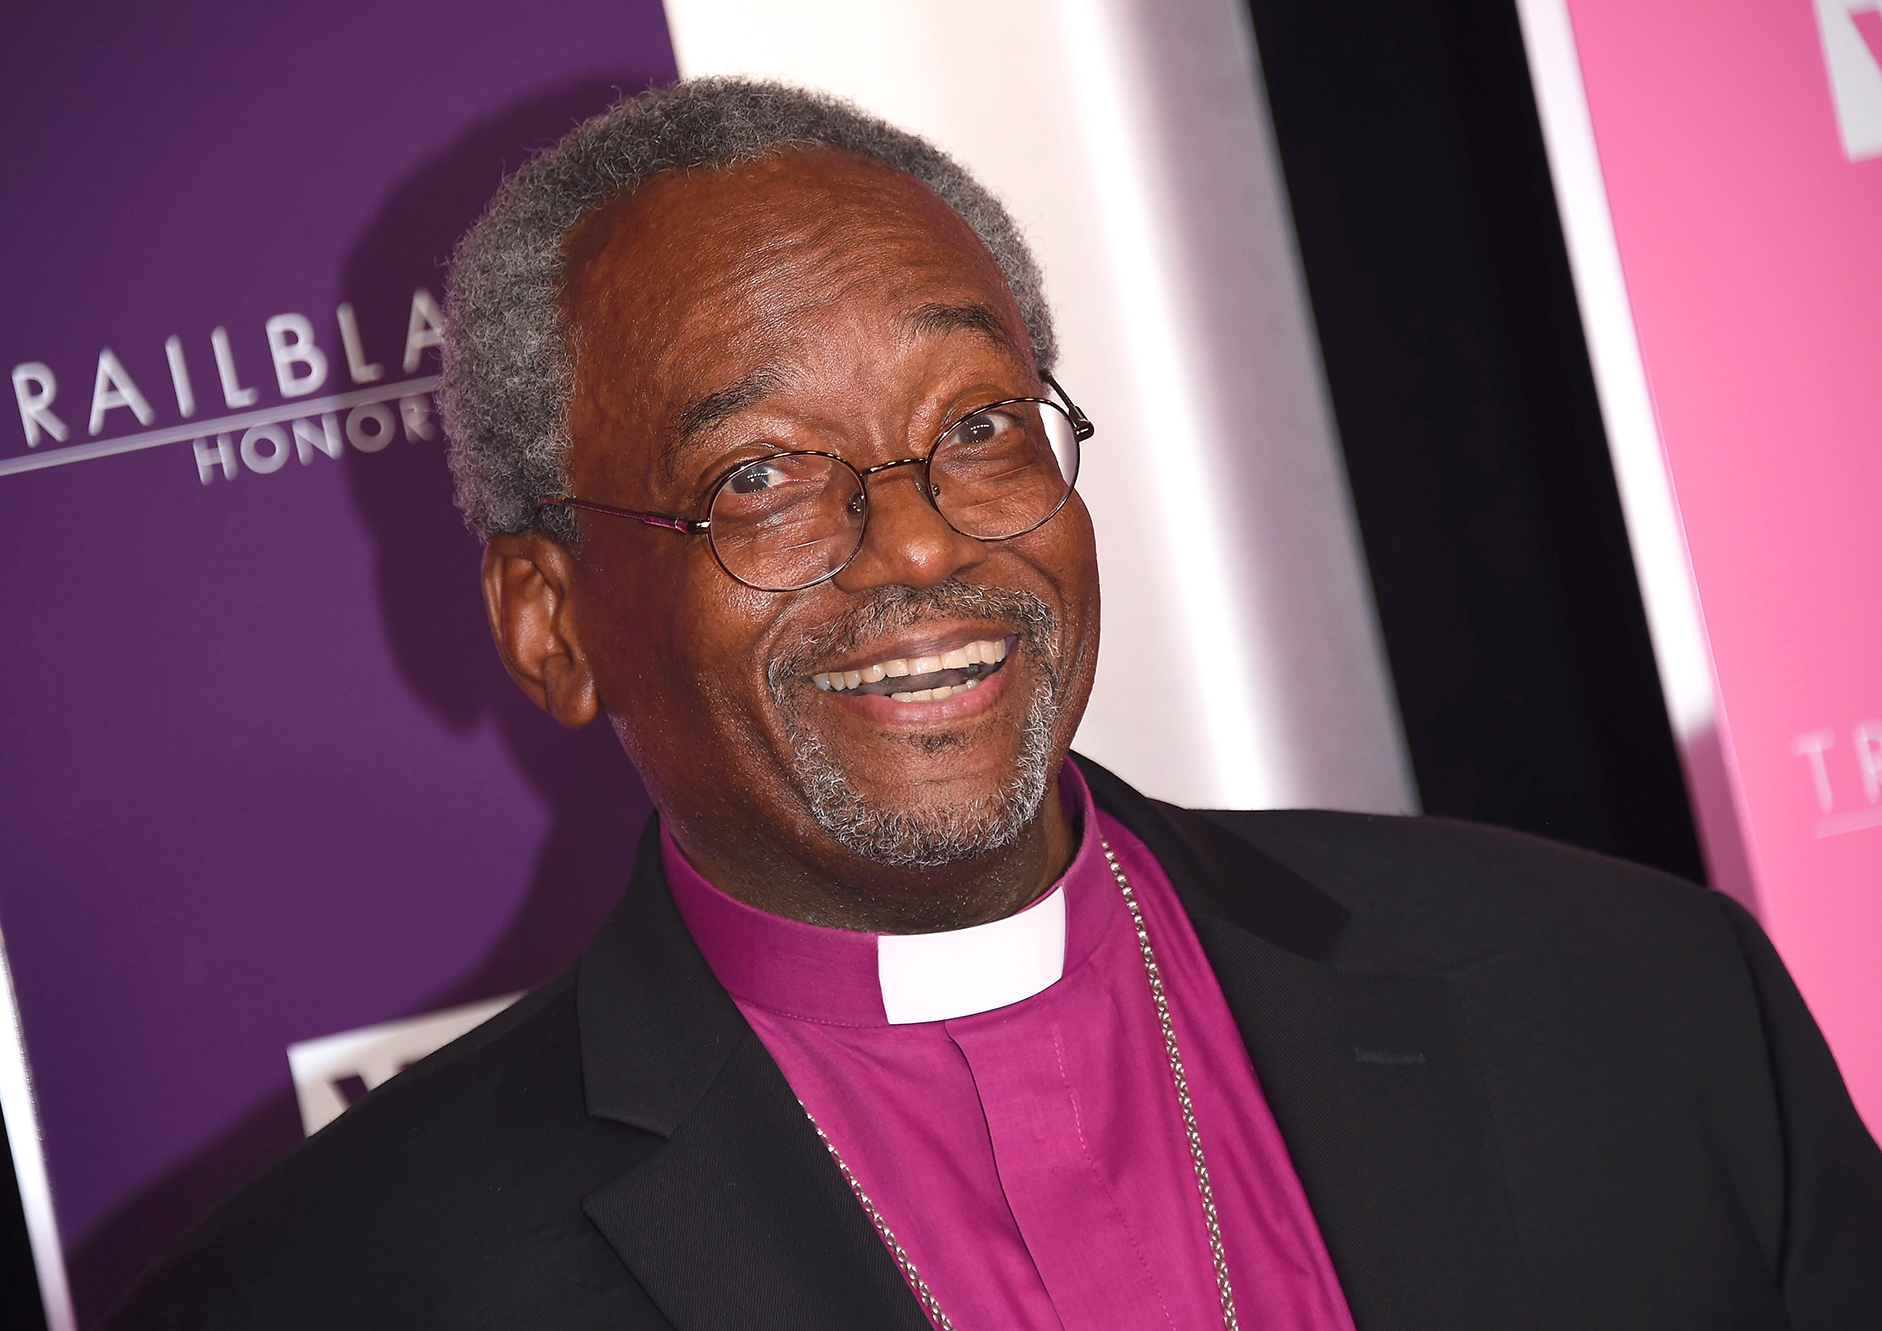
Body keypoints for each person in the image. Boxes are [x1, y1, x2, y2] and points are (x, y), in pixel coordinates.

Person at [106, 78, 1882, 1330]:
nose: (917, 542)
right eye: (757, 477)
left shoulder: (1640, 1002)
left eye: (977, 426)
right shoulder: (347, 1290)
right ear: (553, 623)